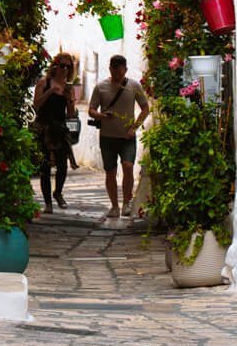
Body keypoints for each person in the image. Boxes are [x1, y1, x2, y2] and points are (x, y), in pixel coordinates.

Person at [88, 54, 150, 220]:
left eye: (120, 71)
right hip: (107, 136)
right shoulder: (100, 87)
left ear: (126, 70)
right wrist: (101, 116)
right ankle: (114, 205)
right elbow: (91, 110)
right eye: (114, 71)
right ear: (110, 69)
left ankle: (126, 203)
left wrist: (134, 127)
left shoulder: (134, 86)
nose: (117, 75)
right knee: (110, 172)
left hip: (127, 136)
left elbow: (145, 108)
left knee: (128, 167)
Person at [32, 52, 77, 212]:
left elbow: (70, 114)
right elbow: (36, 105)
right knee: (44, 166)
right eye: (62, 65)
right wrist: (50, 92)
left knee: (62, 166)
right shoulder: (44, 83)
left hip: (59, 128)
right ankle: (48, 203)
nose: (64, 69)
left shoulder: (68, 88)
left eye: (68, 66)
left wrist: (69, 99)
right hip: (44, 127)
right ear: (55, 66)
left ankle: (58, 193)